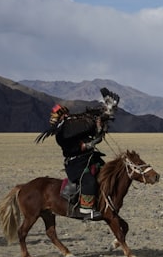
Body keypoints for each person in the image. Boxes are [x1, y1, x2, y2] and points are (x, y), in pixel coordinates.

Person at [35, 88, 120, 219]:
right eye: (64, 115)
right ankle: (86, 209)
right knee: (89, 181)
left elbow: (87, 132)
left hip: (89, 158)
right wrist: (94, 140)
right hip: (76, 164)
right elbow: (83, 144)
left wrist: (99, 128)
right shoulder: (62, 134)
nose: (68, 117)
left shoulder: (71, 126)